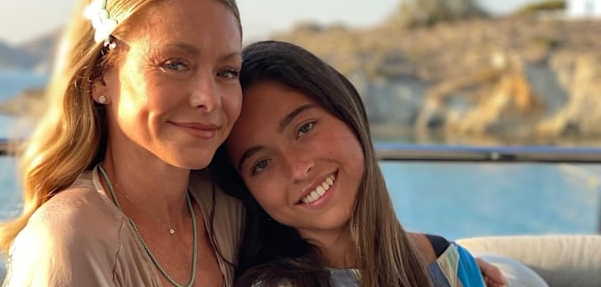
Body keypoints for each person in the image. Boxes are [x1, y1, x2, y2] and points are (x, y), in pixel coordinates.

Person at [0, 0, 245, 286]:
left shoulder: (231, 213)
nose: (208, 99)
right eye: (175, 65)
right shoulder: (69, 239)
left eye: (227, 71)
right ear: (99, 77)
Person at [210, 40, 502, 287]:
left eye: (305, 128)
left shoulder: (452, 264)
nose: (298, 169)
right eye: (261, 164)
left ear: (347, 112)